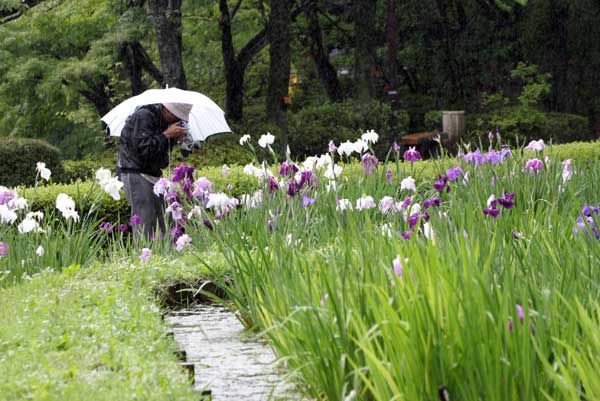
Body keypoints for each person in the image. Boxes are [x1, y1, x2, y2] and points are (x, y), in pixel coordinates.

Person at [117, 102, 192, 237]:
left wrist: (176, 140)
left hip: (154, 175)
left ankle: (166, 255)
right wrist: (166, 135)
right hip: (136, 172)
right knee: (144, 222)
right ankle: (143, 255)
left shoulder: (163, 122)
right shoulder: (143, 116)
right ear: (169, 111)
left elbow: (161, 155)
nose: (178, 122)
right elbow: (143, 149)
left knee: (165, 221)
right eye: (177, 118)